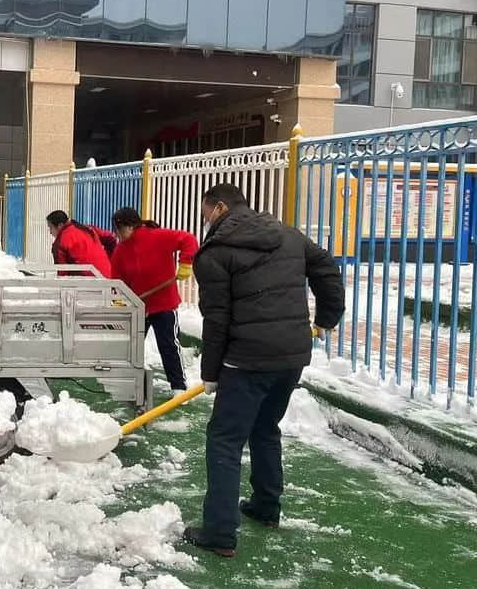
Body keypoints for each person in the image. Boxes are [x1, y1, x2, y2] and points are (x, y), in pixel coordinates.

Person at [184, 183, 344, 558]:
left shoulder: (215, 254)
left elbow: (217, 318)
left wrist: (211, 372)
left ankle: (220, 532)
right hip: (291, 355)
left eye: (206, 212)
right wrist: (326, 318)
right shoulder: (288, 235)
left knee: (224, 439)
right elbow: (328, 270)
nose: (205, 219)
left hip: (246, 360)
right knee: (265, 427)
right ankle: (266, 506)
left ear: (220, 208)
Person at [110, 207, 198, 392]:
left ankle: (178, 387)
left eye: (119, 229)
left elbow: (188, 239)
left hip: (163, 304)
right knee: (130, 345)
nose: (117, 234)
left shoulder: (158, 236)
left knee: (168, 346)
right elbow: (116, 280)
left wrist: (186, 263)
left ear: (129, 226)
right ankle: (129, 382)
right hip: (137, 305)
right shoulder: (120, 250)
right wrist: (118, 299)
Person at [46, 210, 114, 277]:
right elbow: (111, 238)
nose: (50, 232)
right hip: (108, 277)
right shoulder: (88, 229)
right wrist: (108, 259)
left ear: (60, 225)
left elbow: (62, 273)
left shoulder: (60, 242)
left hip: (89, 283)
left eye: (50, 228)